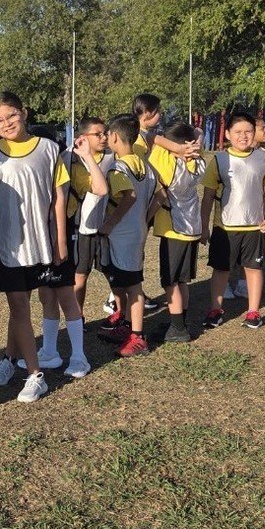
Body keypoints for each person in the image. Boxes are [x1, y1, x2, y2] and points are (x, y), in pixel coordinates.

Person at [0, 92, 96, 398]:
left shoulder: (47, 148)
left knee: (48, 300)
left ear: (24, 112)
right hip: (7, 245)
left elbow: (59, 197)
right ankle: (29, 370)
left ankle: (41, 363)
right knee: (17, 307)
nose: (7, 123)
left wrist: (59, 241)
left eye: (12, 115)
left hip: (43, 245)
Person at [200, 111, 265, 329]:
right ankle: (215, 310)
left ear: (254, 133)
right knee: (221, 269)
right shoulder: (219, 160)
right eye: (237, 132)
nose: (243, 136)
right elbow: (207, 197)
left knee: (253, 268)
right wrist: (204, 226)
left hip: (254, 226)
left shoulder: (263, 158)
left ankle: (253, 312)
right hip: (225, 227)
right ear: (227, 134)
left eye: (248, 131)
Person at [97, 114, 158, 357]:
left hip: (122, 235)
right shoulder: (145, 164)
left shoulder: (118, 167)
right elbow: (161, 195)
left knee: (133, 286)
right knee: (121, 282)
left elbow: (128, 197)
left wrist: (109, 225)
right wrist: (145, 217)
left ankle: (138, 337)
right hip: (136, 232)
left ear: (113, 136)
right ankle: (124, 324)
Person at [149, 122, 207, 343]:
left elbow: (151, 138)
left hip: (174, 230)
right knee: (182, 281)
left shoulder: (166, 163)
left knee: (171, 281)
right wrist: (195, 144)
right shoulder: (198, 162)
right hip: (191, 227)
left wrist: (171, 145)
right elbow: (199, 132)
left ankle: (178, 330)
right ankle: (178, 322)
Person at [64, 116, 115, 316]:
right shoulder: (70, 159)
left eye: (105, 133)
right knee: (81, 274)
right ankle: (78, 317)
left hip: (109, 225)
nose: (103, 137)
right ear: (83, 137)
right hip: (82, 227)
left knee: (113, 272)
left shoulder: (113, 156)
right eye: (98, 134)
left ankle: (118, 310)